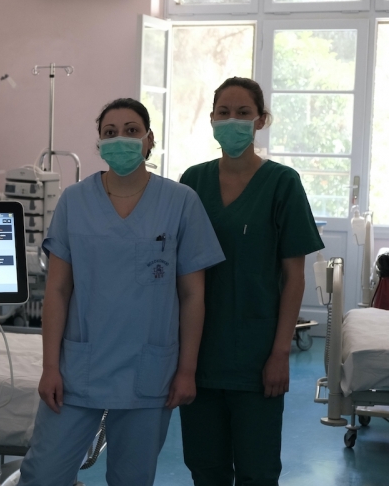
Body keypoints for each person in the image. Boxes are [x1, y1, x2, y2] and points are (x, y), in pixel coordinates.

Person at [18, 98, 225, 486]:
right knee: (43, 475)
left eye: (132, 130)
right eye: (110, 132)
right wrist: (50, 367)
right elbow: (57, 290)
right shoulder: (75, 201)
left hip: (149, 368)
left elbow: (193, 296)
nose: (121, 139)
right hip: (80, 366)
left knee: (132, 478)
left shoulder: (180, 201)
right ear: (99, 143)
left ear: (149, 140)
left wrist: (186, 370)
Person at [178, 77, 324, 486]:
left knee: (257, 472)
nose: (232, 120)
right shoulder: (192, 182)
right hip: (198, 355)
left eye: (243, 112)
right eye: (223, 112)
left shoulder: (282, 183)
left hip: (257, 357)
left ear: (261, 120)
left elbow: (294, 276)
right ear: (211, 119)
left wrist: (280, 352)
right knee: (205, 468)